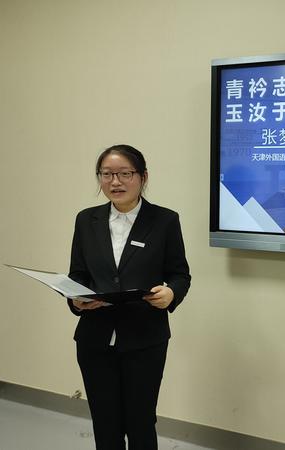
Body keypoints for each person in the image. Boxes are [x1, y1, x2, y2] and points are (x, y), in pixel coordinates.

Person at [67, 144, 191, 450]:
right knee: (104, 422)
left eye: (125, 173)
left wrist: (171, 293)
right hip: (95, 340)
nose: (115, 182)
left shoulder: (164, 220)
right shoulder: (86, 220)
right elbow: (78, 274)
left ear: (143, 177)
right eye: (107, 174)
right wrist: (75, 299)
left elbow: (180, 274)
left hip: (144, 338)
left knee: (140, 421)